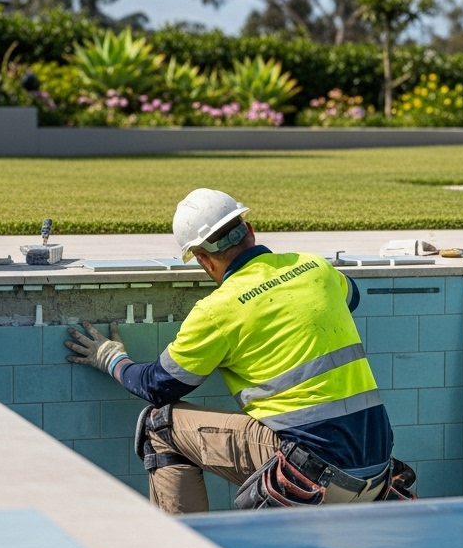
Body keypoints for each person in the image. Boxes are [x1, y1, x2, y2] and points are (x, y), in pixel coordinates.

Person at [64, 188, 411, 513]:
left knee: (159, 425)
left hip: (312, 475)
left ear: (203, 260)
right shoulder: (315, 268)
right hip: (378, 471)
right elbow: (352, 296)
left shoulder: (218, 311)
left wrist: (112, 359)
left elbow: (159, 385)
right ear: (251, 230)